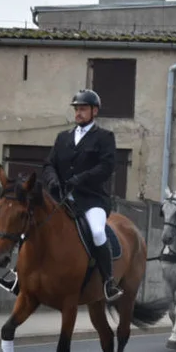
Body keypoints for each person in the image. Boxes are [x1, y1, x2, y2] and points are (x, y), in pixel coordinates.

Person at [41, 89, 122, 302]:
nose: (78, 113)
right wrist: (53, 181)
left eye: (83, 109)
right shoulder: (62, 138)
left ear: (94, 111)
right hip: (61, 198)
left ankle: (108, 282)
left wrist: (81, 179)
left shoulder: (104, 137)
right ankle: (19, 276)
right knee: (33, 224)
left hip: (91, 199)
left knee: (97, 232)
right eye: (76, 109)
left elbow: (106, 167)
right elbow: (49, 164)